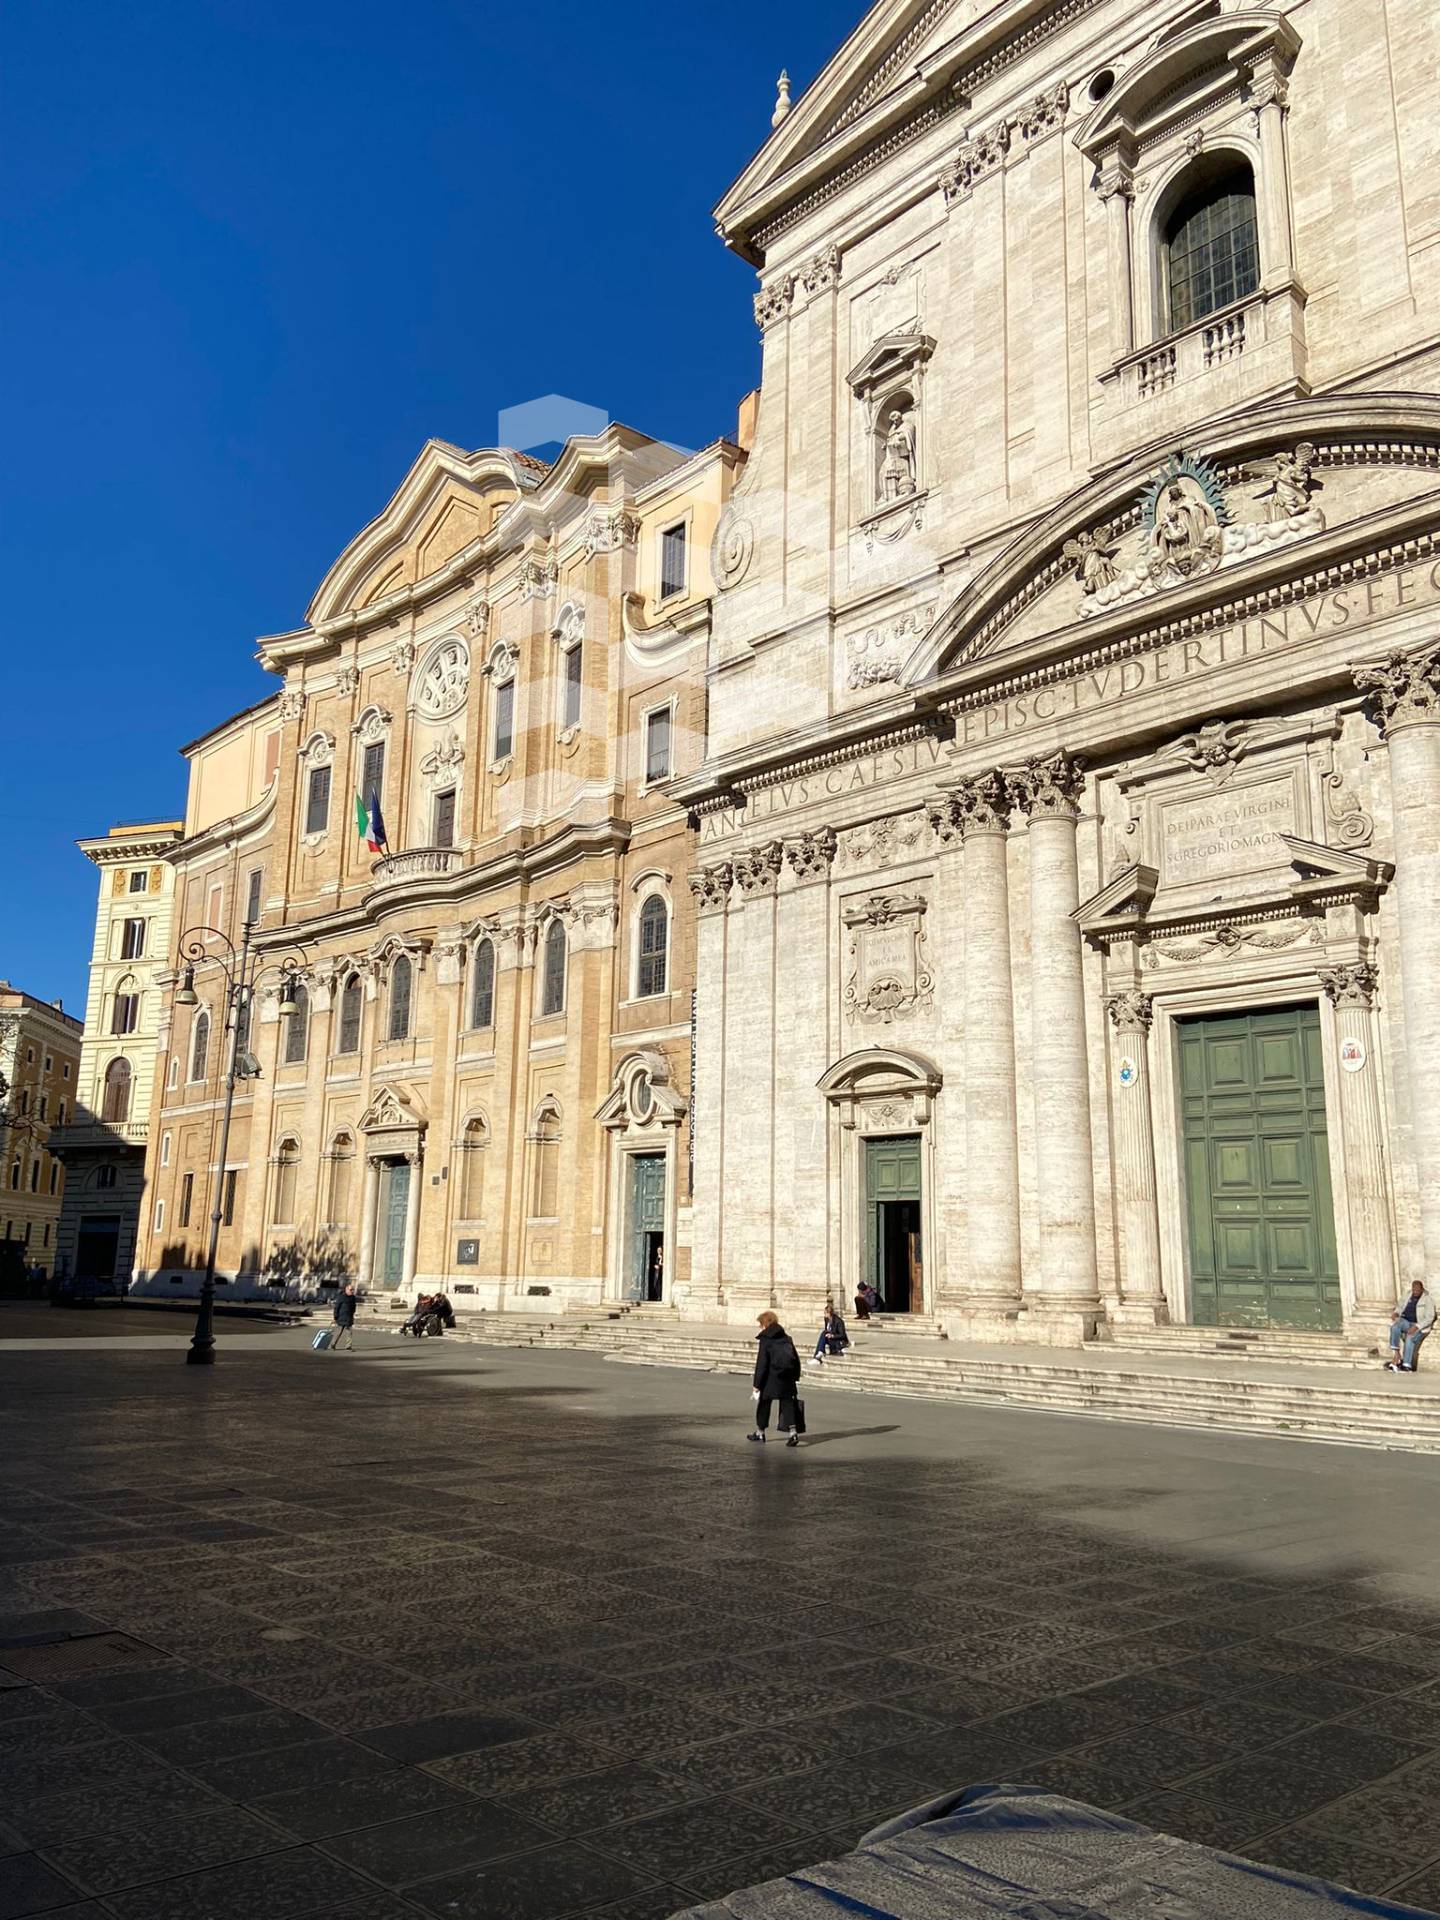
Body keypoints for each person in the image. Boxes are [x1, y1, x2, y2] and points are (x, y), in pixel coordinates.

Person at [749, 1310, 802, 1447]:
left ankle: (760, 1432)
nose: (760, 1327)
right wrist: (795, 1376)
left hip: (771, 1378)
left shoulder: (766, 1340)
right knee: (787, 1404)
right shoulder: (786, 1338)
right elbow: (795, 1359)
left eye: (760, 1324)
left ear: (765, 1324)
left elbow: (762, 1363)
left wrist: (757, 1384)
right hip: (786, 1377)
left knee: (764, 1404)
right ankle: (793, 1432)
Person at [1385, 1280, 1435, 1372]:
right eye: (1414, 1290)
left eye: (1418, 1291)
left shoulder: (1427, 1299)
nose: (1416, 1292)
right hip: (1406, 1321)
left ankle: (1407, 1365)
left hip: (1419, 1325)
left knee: (1410, 1337)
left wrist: (1417, 1326)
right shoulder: (1407, 1295)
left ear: (1422, 1289)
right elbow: (1400, 1307)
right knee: (1394, 1327)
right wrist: (1396, 1313)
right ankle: (1397, 1355)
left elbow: (1429, 1317)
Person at [810, 1300, 849, 1366]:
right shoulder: (826, 1319)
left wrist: (832, 1335)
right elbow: (826, 1329)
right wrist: (828, 1334)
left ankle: (818, 1356)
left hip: (838, 1341)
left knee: (823, 1334)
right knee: (823, 1334)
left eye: (825, 1313)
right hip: (830, 1338)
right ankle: (819, 1354)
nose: (824, 1315)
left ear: (829, 1313)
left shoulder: (839, 1321)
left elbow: (842, 1335)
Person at [331, 1281, 359, 1351]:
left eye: (352, 1290)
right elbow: (336, 1307)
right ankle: (333, 1344)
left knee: (349, 1333)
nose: (352, 1291)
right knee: (338, 1332)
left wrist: (353, 1313)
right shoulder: (341, 1297)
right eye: (350, 1290)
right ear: (346, 1290)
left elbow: (354, 1306)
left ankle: (348, 1346)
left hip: (349, 1317)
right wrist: (335, 1316)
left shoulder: (353, 1298)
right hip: (341, 1317)